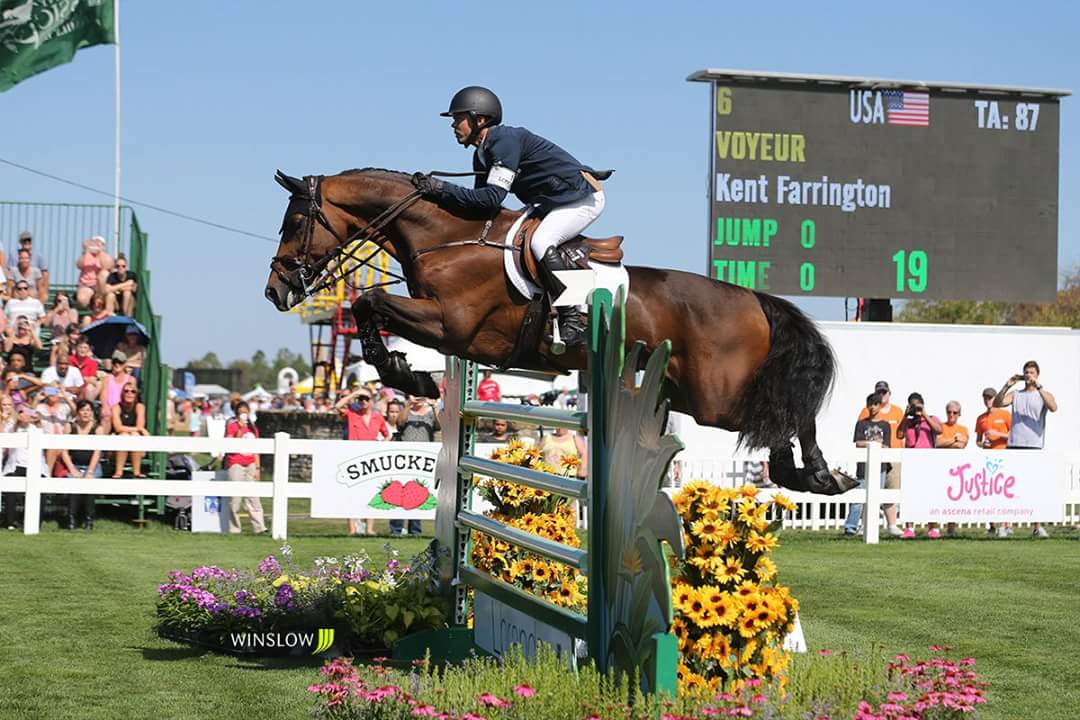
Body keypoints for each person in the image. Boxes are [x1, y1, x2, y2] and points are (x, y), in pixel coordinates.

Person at [412, 86, 608, 347]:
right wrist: (436, 196)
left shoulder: (503, 140)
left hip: (581, 197)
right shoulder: (481, 155)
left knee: (541, 242)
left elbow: (493, 198)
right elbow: (481, 208)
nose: (454, 126)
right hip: (549, 203)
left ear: (479, 119)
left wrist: (441, 189)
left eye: (458, 118)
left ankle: (574, 318)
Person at [994, 360, 1058, 538]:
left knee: (1034, 487)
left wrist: (1039, 387)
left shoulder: (1043, 394)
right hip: (1014, 445)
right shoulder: (1016, 394)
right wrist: (1006, 385)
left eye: (1031, 372)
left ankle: (1037, 526)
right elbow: (998, 403)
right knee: (1009, 488)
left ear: (1037, 375)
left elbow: (1053, 407)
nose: (1028, 375)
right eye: (1026, 372)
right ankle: (1004, 526)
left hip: (1034, 445)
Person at [336, 386, 390, 535]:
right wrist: (354, 394)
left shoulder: (377, 417)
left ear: (371, 401)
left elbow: (387, 434)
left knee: (371, 492)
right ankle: (352, 529)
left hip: (370, 458)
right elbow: (337, 406)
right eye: (361, 399)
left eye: (366, 399)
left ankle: (370, 528)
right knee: (351, 492)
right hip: (352, 456)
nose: (363, 402)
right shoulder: (352, 413)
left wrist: (382, 444)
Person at [844, 392, 894, 537]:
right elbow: (858, 443)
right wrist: (873, 444)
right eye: (870, 404)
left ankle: (868, 527)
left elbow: (887, 446)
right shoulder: (861, 424)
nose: (872, 407)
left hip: (880, 467)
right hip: (863, 466)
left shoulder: (885, 425)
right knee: (859, 496)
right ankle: (851, 526)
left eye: (875, 404)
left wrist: (878, 446)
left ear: (880, 406)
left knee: (875, 497)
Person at [390, 396, 440, 536]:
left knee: (417, 493)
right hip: (404, 460)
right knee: (399, 492)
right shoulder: (407, 411)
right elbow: (399, 423)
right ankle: (396, 529)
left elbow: (439, 426)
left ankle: (415, 530)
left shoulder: (430, 412)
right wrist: (409, 405)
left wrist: (435, 406)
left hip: (422, 461)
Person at [896, 392, 942, 539]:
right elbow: (899, 435)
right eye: (913, 405)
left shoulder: (932, 419)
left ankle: (933, 527)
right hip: (912, 461)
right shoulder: (908, 422)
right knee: (910, 494)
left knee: (930, 494)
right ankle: (909, 528)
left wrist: (924, 415)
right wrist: (905, 416)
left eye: (918, 405)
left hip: (928, 461)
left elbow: (939, 430)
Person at [224, 401, 266, 535]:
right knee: (235, 499)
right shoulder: (231, 426)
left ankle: (260, 528)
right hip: (235, 463)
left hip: (250, 463)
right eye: (241, 412)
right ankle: (234, 529)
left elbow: (257, 449)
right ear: (236, 414)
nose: (244, 414)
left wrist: (258, 468)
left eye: (246, 412)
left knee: (253, 497)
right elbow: (230, 445)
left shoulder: (253, 428)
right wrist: (240, 429)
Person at [60, 400, 104, 530]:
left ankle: (89, 520)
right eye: (83, 410)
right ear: (78, 412)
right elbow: (64, 451)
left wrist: (90, 471)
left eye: (88, 410)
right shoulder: (70, 427)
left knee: (89, 484)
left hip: (93, 466)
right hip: (75, 465)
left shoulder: (98, 428)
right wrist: (72, 469)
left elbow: (98, 452)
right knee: (74, 484)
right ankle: (71, 520)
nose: (86, 413)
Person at [934, 400, 969, 538]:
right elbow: (937, 443)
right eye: (949, 412)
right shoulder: (940, 426)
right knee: (937, 496)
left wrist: (948, 442)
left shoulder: (963, 429)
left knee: (954, 498)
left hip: (956, 468)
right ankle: (934, 528)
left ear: (959, 414)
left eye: (954, 412)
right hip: (940, 466)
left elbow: (962, 445)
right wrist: (954, 440)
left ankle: (951, 528)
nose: (951, 415)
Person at [2, 405, 39, 529]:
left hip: (33, 467)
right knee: (11, 488)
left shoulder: (35, 429)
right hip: (15, 466)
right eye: (21, 412)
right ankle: (10, 521)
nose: (25, 415)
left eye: (27, 412)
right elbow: (4, 437)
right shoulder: (12, 428)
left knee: (39, 489)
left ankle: (33, 521)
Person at [110, 381, 148, 477]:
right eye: (126, 391)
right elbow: (118, 428)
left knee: (134, 436)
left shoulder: (140, 407)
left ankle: (136, 472)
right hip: (117, 443)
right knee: (124, 436)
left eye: (133, 391)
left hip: (135, 441)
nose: (129, 393)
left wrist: (135, 430)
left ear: (136, 394)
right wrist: (137, 429)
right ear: (122, 393)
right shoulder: (116, 407)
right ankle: (118, 472)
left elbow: (140, 425)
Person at [36, 384, 75, 475]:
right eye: (50, 391)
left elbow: (76, 412)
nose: (52, 394)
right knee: (53, 447)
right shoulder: (40, 407)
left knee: (58, 447)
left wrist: (65, 397)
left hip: (62, 441)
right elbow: (30, 415)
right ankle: (48, 474)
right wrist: (36, 400)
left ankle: (47, 475)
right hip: (46, 441)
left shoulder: (64, 407)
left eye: (55, 391)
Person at [100, 350, 134, 433]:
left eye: (120, 362)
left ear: (125, 364)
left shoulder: (131, 379)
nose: (117, 364)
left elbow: (132, 396)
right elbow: (103, 394)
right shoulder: (107, 378)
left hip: (123, 410)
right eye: (115, 362)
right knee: (106, 415)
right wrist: (105, 406)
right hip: (110, 409)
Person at [15, 231, 49, 301]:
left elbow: (45, 274)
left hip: (34, 292)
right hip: (18, 291)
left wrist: (43, 292)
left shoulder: (39, 256)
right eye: (24, 241)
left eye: (29, 240)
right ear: (21, 242)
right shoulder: (14, 255)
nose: (27, 242)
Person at [75, 236, 107, 308]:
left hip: (100, 286)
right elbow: (78, 265)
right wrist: (86, 250)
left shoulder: (105, 256)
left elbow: (107, 266)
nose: (96, 245)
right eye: (95, 242)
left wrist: (100, 252)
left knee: (103, 275)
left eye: (100, 243)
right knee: (82, 299)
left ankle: (99, 299)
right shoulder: (86, 255)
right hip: (87, 285)